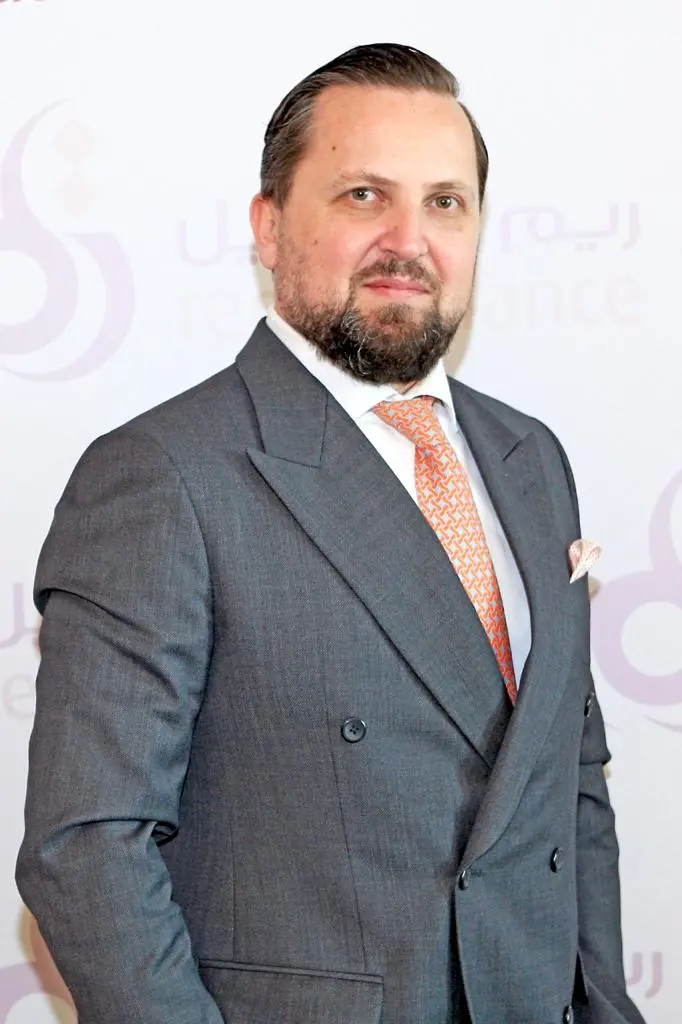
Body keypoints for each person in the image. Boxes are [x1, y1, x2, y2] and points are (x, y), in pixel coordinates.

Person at [16, 42, 645, 1024]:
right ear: (269, 228)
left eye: (446, 202)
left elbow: (568, 782)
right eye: (363, 195)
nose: (409, 239)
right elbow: (88, 849)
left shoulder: (531, 459)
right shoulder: (165, 475)